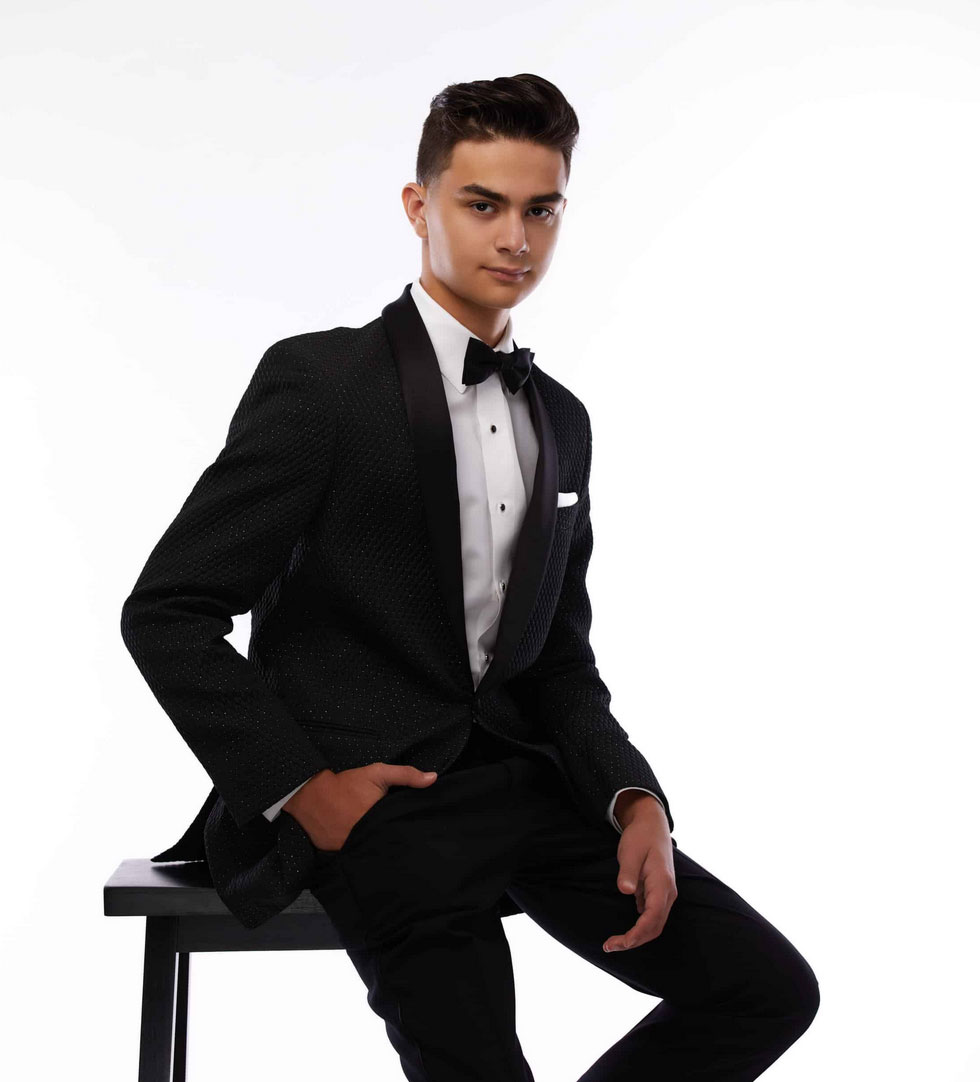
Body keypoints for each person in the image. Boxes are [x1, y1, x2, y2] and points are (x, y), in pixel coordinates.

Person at [121, 72, 819, 1082]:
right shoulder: (322, 384)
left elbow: (557, 660)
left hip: (528, 789)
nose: (515, 239)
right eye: (483, 205)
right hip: (379, 807)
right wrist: (302, 789)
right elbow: (168, 611)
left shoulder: (561, 419)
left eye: (541, 210)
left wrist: (634, 799)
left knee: (766, 988)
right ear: (419, 207)